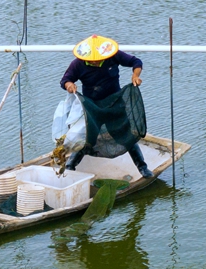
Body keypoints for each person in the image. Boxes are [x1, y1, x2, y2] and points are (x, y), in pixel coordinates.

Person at [60, 35, 153, 179]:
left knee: (126, 135)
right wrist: (69, 85)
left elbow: (136, 62)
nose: (96, 62)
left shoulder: (113, 56)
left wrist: (135, 75)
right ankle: (70, 166)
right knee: (87, 139)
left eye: (98, 59)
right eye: (92, 60)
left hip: (114, 103)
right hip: (92, 107)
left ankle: (142, 167)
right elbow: (65, 80)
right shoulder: (78, 64)